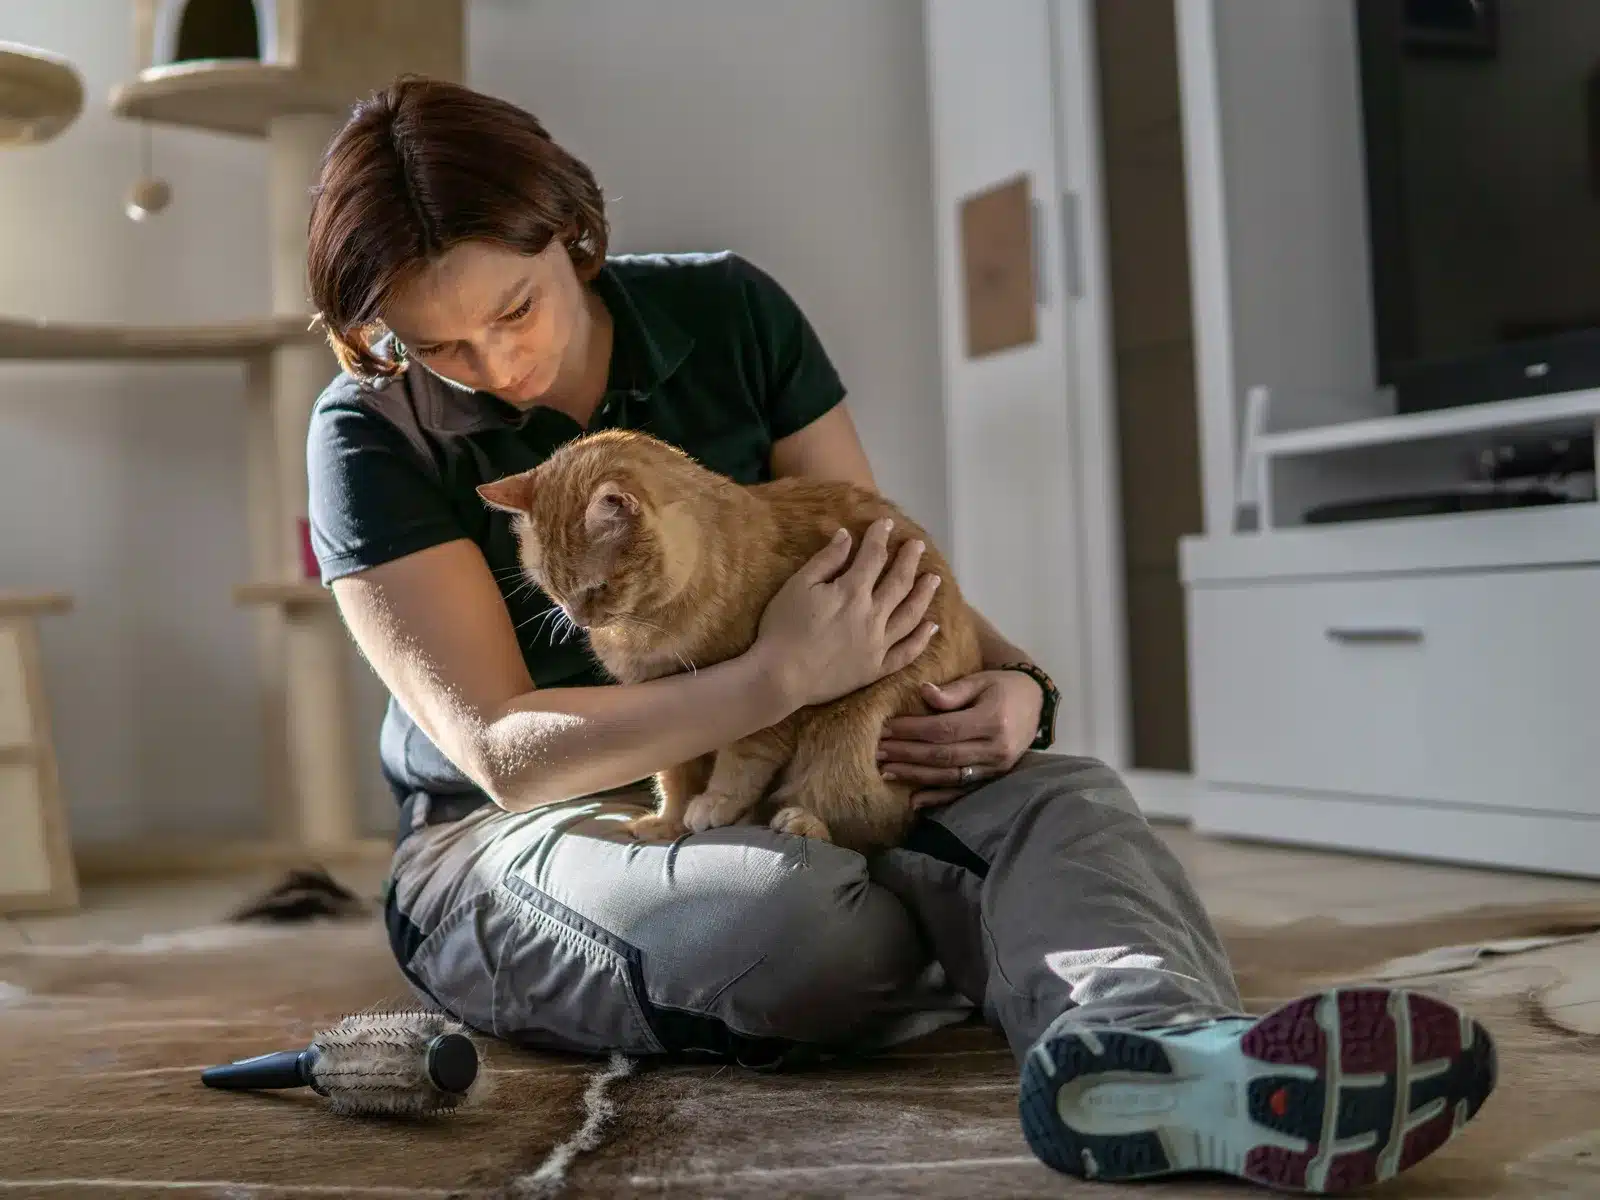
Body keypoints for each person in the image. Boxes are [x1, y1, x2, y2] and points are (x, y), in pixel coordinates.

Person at [303, 76, 1495, 1191]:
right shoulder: (366, 434)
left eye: (517, 309)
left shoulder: (726, 311)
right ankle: (975, 940)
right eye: (439, 345)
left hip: (805, 756)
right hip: (529, 828)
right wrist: (776, 678)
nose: (496, 367)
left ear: (570, 229)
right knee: (795, 923)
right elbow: (507, 755)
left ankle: (1152, 1053)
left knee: (1060, 796)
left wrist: (1018, 684)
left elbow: (881, 564)